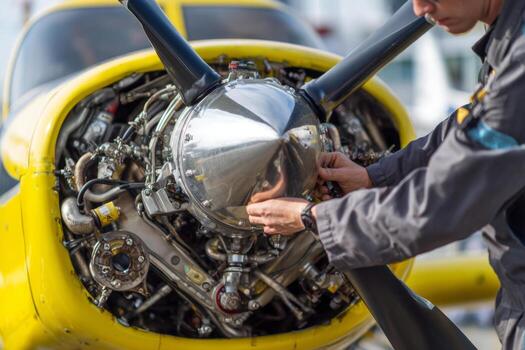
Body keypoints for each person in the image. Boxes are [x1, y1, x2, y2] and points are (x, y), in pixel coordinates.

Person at [246, 0, 525, 348]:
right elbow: (473, 123)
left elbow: (440, 203)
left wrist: (313, 217)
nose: (421, 8)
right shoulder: (510, 46)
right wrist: (374, 177)